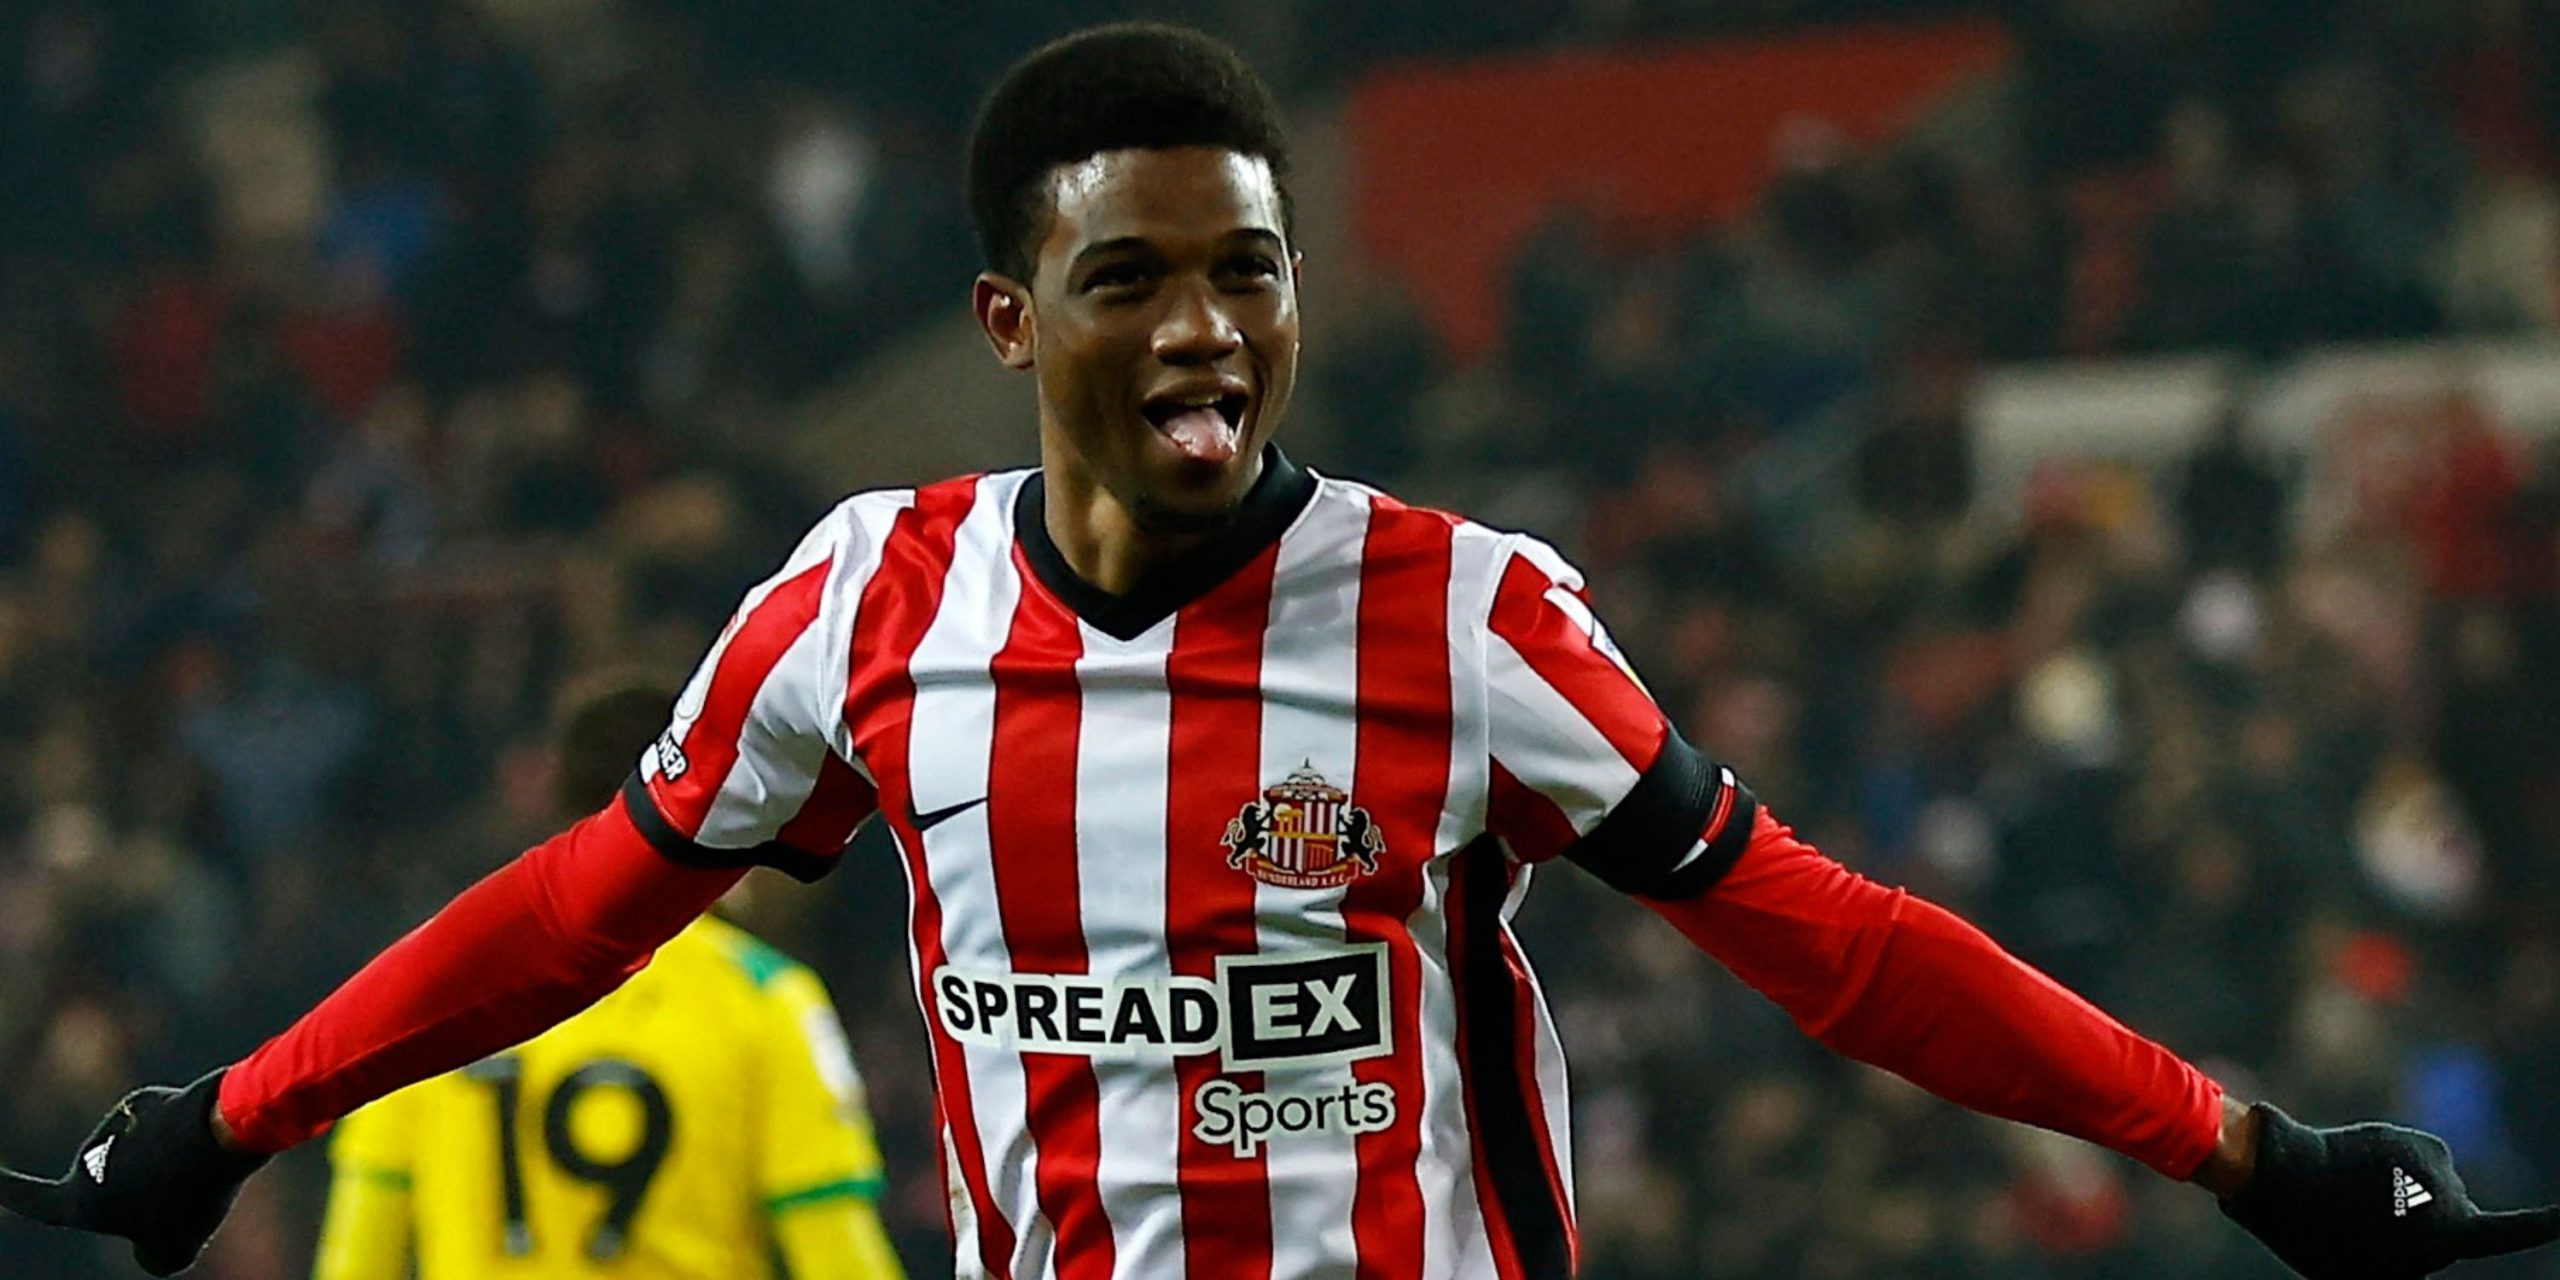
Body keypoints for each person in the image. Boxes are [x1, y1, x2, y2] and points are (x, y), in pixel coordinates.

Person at [3, 22, 2556, 1280]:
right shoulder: (864, 600)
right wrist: (227, 1119)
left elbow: (1835, 943)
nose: (1209, 326)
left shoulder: (1467, 613)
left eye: (1249, 265)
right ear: (1009, 318)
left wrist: (2248, 1151)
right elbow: (580, 904)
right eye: (1133, 276)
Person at [310, 677, 906, 1280]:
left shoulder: (431, 985)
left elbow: (356, 1260)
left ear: (562, 803)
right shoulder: (765, 1000)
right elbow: (838, 1256)